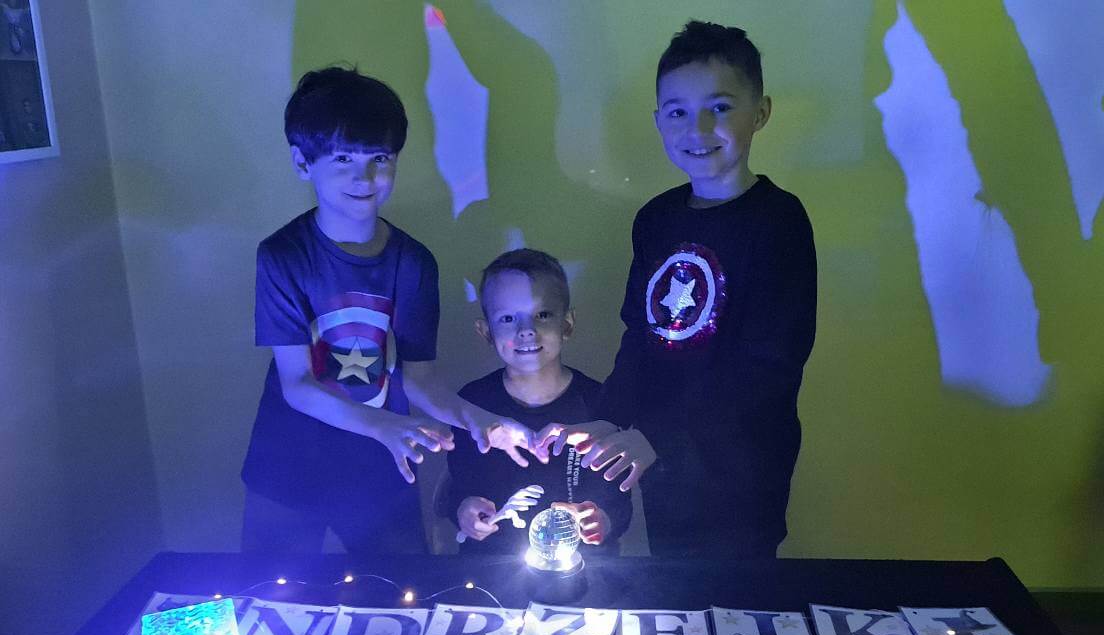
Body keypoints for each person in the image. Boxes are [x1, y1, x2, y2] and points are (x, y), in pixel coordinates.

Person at [542, 21, 816, 559]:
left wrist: (656, 435)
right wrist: (610, 417)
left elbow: (770, 364)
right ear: (658, 121)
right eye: (678, 112)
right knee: (674, 583)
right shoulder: (656, 220)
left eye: (720, 107)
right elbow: (641, 337)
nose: (698, 128)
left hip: (743, 469)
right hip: (665, 469)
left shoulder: (778, 221)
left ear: (760, 112)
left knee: (736, 594)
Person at [241, 67, 534, 555]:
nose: (365, 177)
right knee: (272, 592)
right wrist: (384, 425)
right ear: (302, 162)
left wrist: (481, 421)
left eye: (379, 158)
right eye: (343, 159)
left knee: (399, 587)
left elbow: (420, 379)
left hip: (382, 463)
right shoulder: (284, 256)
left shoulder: (412, 263)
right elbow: (297, 384)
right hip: (288, 465)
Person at [443, 249, 632, 556]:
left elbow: (619, 501)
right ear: (486, 331)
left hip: (584, 570)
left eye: (542, 314)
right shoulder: (472, 404)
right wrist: (464, 511)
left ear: (566, 324)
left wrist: (603, 522)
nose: (526, 330)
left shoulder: (601, 403)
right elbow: (457, 486)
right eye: (507, 318)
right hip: (491, 568)